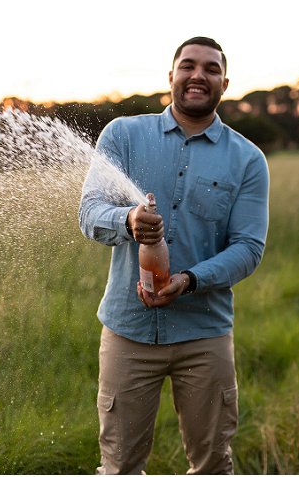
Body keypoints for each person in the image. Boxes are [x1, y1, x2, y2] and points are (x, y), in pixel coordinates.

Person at [79, 36, 270, 474]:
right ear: (171, 76)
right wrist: (129, 220)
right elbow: (89, 213)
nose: (198, 75)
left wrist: (187, 280)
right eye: (188, 66)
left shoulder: (247, 160)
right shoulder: (124, 135)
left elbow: (248, 249)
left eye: (210, 68)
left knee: (212, 465)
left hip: (204, 335)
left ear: (225, 81)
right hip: (129, 331)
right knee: (120, 465)